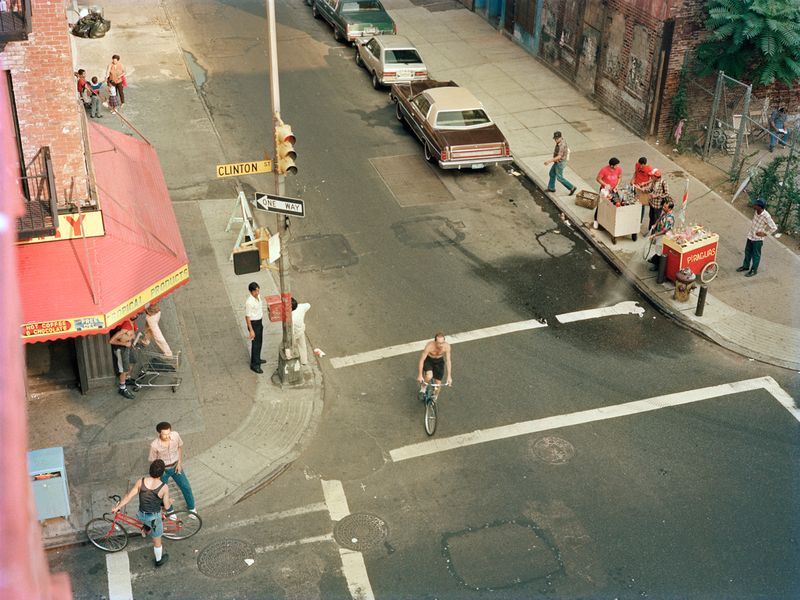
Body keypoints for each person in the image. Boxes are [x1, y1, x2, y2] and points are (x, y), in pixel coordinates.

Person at [112, 460, 172, 567]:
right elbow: (167, 507)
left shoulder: (141, 481)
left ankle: (146, 527)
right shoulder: (164, 487)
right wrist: (170, 501)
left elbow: (129, 496)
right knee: (157, 540)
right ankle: (159, 560)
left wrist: (118, 507)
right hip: (153, 518)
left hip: (141, 514)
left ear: (150, 470)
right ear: (162, 473)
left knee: (147, 521)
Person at [148, 422, 197, 515]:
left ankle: (192, 508)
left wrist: (179, 463)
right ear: (158, 433)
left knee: (186, 487)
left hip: (176, 466)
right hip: (163, 470)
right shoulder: (154, 445)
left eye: (168, 433)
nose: (167, 436)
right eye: (164, 434)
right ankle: (170, 511)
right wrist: (159, 473)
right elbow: (153, 461)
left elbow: (179, 448)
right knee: (164, 492)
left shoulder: (175, 435)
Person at [736, 198, 777, 277]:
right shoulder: (756, 211)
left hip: (758, 240)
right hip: (750, 235)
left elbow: (774, 227)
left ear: (760, 207)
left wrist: (765, 233)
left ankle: (754, 270)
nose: (753, 205)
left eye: (755, 204)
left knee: (756, 255)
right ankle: (745, 266)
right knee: (747, 252)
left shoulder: (766, 216)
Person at [109, 318, 137, 399]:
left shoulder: (132, 323)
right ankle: (122, 388)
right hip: (121, 349)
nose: (136, 315)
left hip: (128, 346)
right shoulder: (125, 327)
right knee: (124, 369)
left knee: (133, 360)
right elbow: (111, 341)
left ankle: (127, 379)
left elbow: (131, 334)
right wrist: (124, 343)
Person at [543, 131, 576, 195]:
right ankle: (551, 188)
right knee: (552, 173)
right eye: (555, 138)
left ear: (561, 137)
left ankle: (571, 187)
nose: (556, 140)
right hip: (557, 161)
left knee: (559, 177)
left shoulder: (562, 145)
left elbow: (559, 156)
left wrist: (549, 161)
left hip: (560, 162)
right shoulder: (560, 142)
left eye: (557, 138)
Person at [593, 157, 622, 229]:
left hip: (613, 190)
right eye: (616, 165)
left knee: (615, 204)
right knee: (601, 205)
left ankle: (608, 220)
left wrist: (617, 186)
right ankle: (596, 220)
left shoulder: (618, 169)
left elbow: (619, 177)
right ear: (611, 165)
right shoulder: (604, 170)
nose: (617, 167)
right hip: (605, 190)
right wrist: (605, 184)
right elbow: (598, 179)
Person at [647, 200, 675, 271]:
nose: (663, 207)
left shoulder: (669, 218)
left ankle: (657, 265)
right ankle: (655, 259)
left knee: (660, 250)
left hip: (663, 236)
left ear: (670, 209)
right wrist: (655, 224)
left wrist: (654, 235)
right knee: (657, 248)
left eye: (665, 207)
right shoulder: (664, 213)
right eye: (664, 206)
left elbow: (664, 231)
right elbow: (659, 218)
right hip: (659, 233)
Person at [245, 282, 265, 373]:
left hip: (259, 322)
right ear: (251, 291)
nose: (257, 292)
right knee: (255, 344)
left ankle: (257, 358)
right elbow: (247, 317)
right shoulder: (249, 302)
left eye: (258, 290)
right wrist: (251, 330)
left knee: (259, 342)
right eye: (255, 291)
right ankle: (255, 364)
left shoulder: (258, 297)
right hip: (254, 323)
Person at [630, 156, 653, 223]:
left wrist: (644, 183)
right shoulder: (637, 165)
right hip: (635, 186)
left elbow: (652, 179)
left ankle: (640, 221)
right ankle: (633, 216)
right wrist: (632, 179)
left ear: (644, 164)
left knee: (642, 204)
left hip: (642, 189)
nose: (639, 166)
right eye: (639, 164)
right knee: (633, 201)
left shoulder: (649, 169)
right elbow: (635, 173)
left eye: (641, 165)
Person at [291, 297, 311, 366]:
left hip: (295, 333)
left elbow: (292, 331)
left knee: (290, 347)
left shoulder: (292, 317)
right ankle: (304, 361)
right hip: (301, 330)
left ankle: (292, 360)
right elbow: (308, 305)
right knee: (302, 345)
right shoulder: (301, 307)